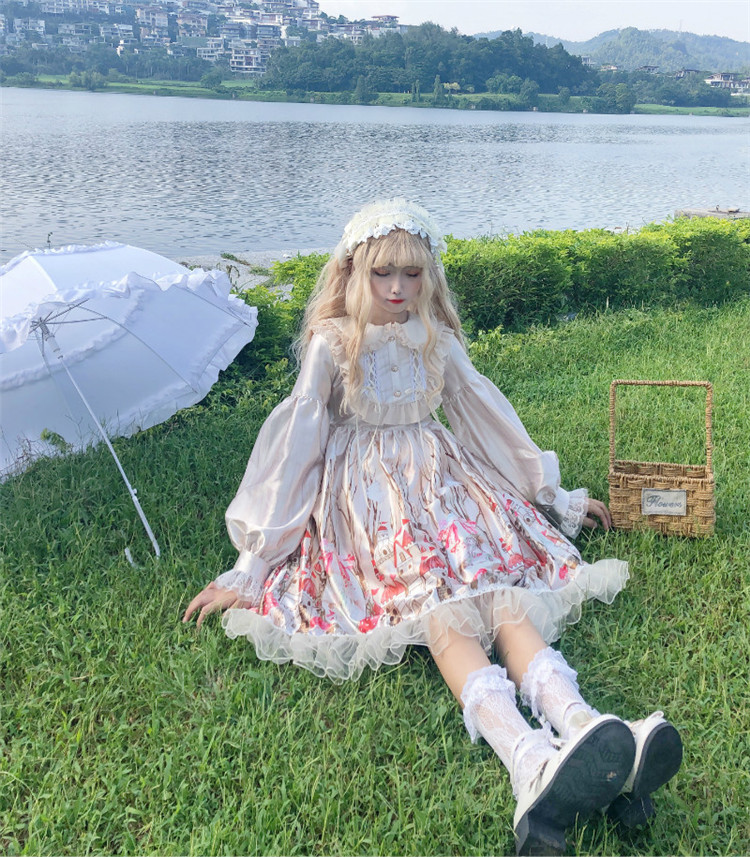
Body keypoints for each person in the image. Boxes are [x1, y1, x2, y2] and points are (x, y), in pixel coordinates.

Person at [183, 199, 682, 855]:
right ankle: (526, 756)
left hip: (444, 486)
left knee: (496, 589)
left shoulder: (435, 339)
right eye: (383, 273)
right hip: (368, 507)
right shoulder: (332, 343)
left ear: (429, 277)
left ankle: (585, 724)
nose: (398, 288)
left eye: (412, 275)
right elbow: (296, 447)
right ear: (353, 271)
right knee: (440, 603)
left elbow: (482, 416)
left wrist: (547, 493)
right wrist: (253, 562)